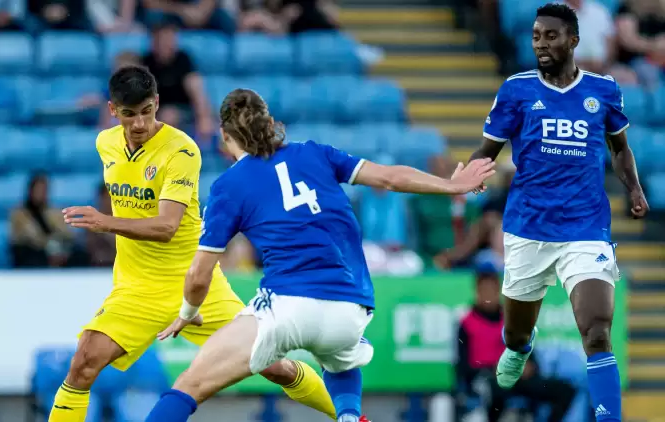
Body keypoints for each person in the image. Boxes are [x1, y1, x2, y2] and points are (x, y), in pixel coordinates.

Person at [143, 88, 496, 421]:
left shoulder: (228, 186)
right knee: (340, 360)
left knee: (190, 384)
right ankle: (348, 415)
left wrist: (189, 312)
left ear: (224, 135)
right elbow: (388, 178)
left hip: (287, 306)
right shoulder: (314, 152)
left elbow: (199, 275)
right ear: (270, 123)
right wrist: (452, 185)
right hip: (349, 309)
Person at [51, 66, 339, 422]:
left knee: (273, 366)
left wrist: (104, 221)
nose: (139, 123)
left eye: (146, 111)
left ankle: (348, 415)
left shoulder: (181, 151)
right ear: (113, 111)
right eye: (129, 114)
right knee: (82, 364)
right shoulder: (105, 144)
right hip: (137, 289)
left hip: (195, 283)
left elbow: (166, 226)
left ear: (156, 103)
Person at [472, 4, 648, 421]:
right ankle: (519, 344)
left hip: (585, 228)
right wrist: (466, 179)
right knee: (514, 331)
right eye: (535, 36)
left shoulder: (603, 91)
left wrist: (635, 187)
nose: (541, 43)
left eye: (550, 36)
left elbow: (619, 148)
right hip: (528, 227)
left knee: (598, 331)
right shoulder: (516, 90)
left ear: (573, 39)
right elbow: (487, 151)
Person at [455, 261, 576, 422]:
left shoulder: (511, 319)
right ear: (477, 292)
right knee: (494, 394)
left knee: (564, 390)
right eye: (484, 290)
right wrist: (494, 369)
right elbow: (463, 367)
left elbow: (528, 352)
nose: (488, 295)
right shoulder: (466, 323)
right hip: (488, 379)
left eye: (492, 290)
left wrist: (530, 366)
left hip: (517, 378)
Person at [10, 173, 76, 268]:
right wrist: (47, 244)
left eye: (44, 190)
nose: (41, 193)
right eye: (38, 190)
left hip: (56, 250)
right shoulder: (19, 214)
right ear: (30, 191)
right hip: (32, 252)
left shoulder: (54, 212)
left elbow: (67, 234)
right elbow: (20, 238)